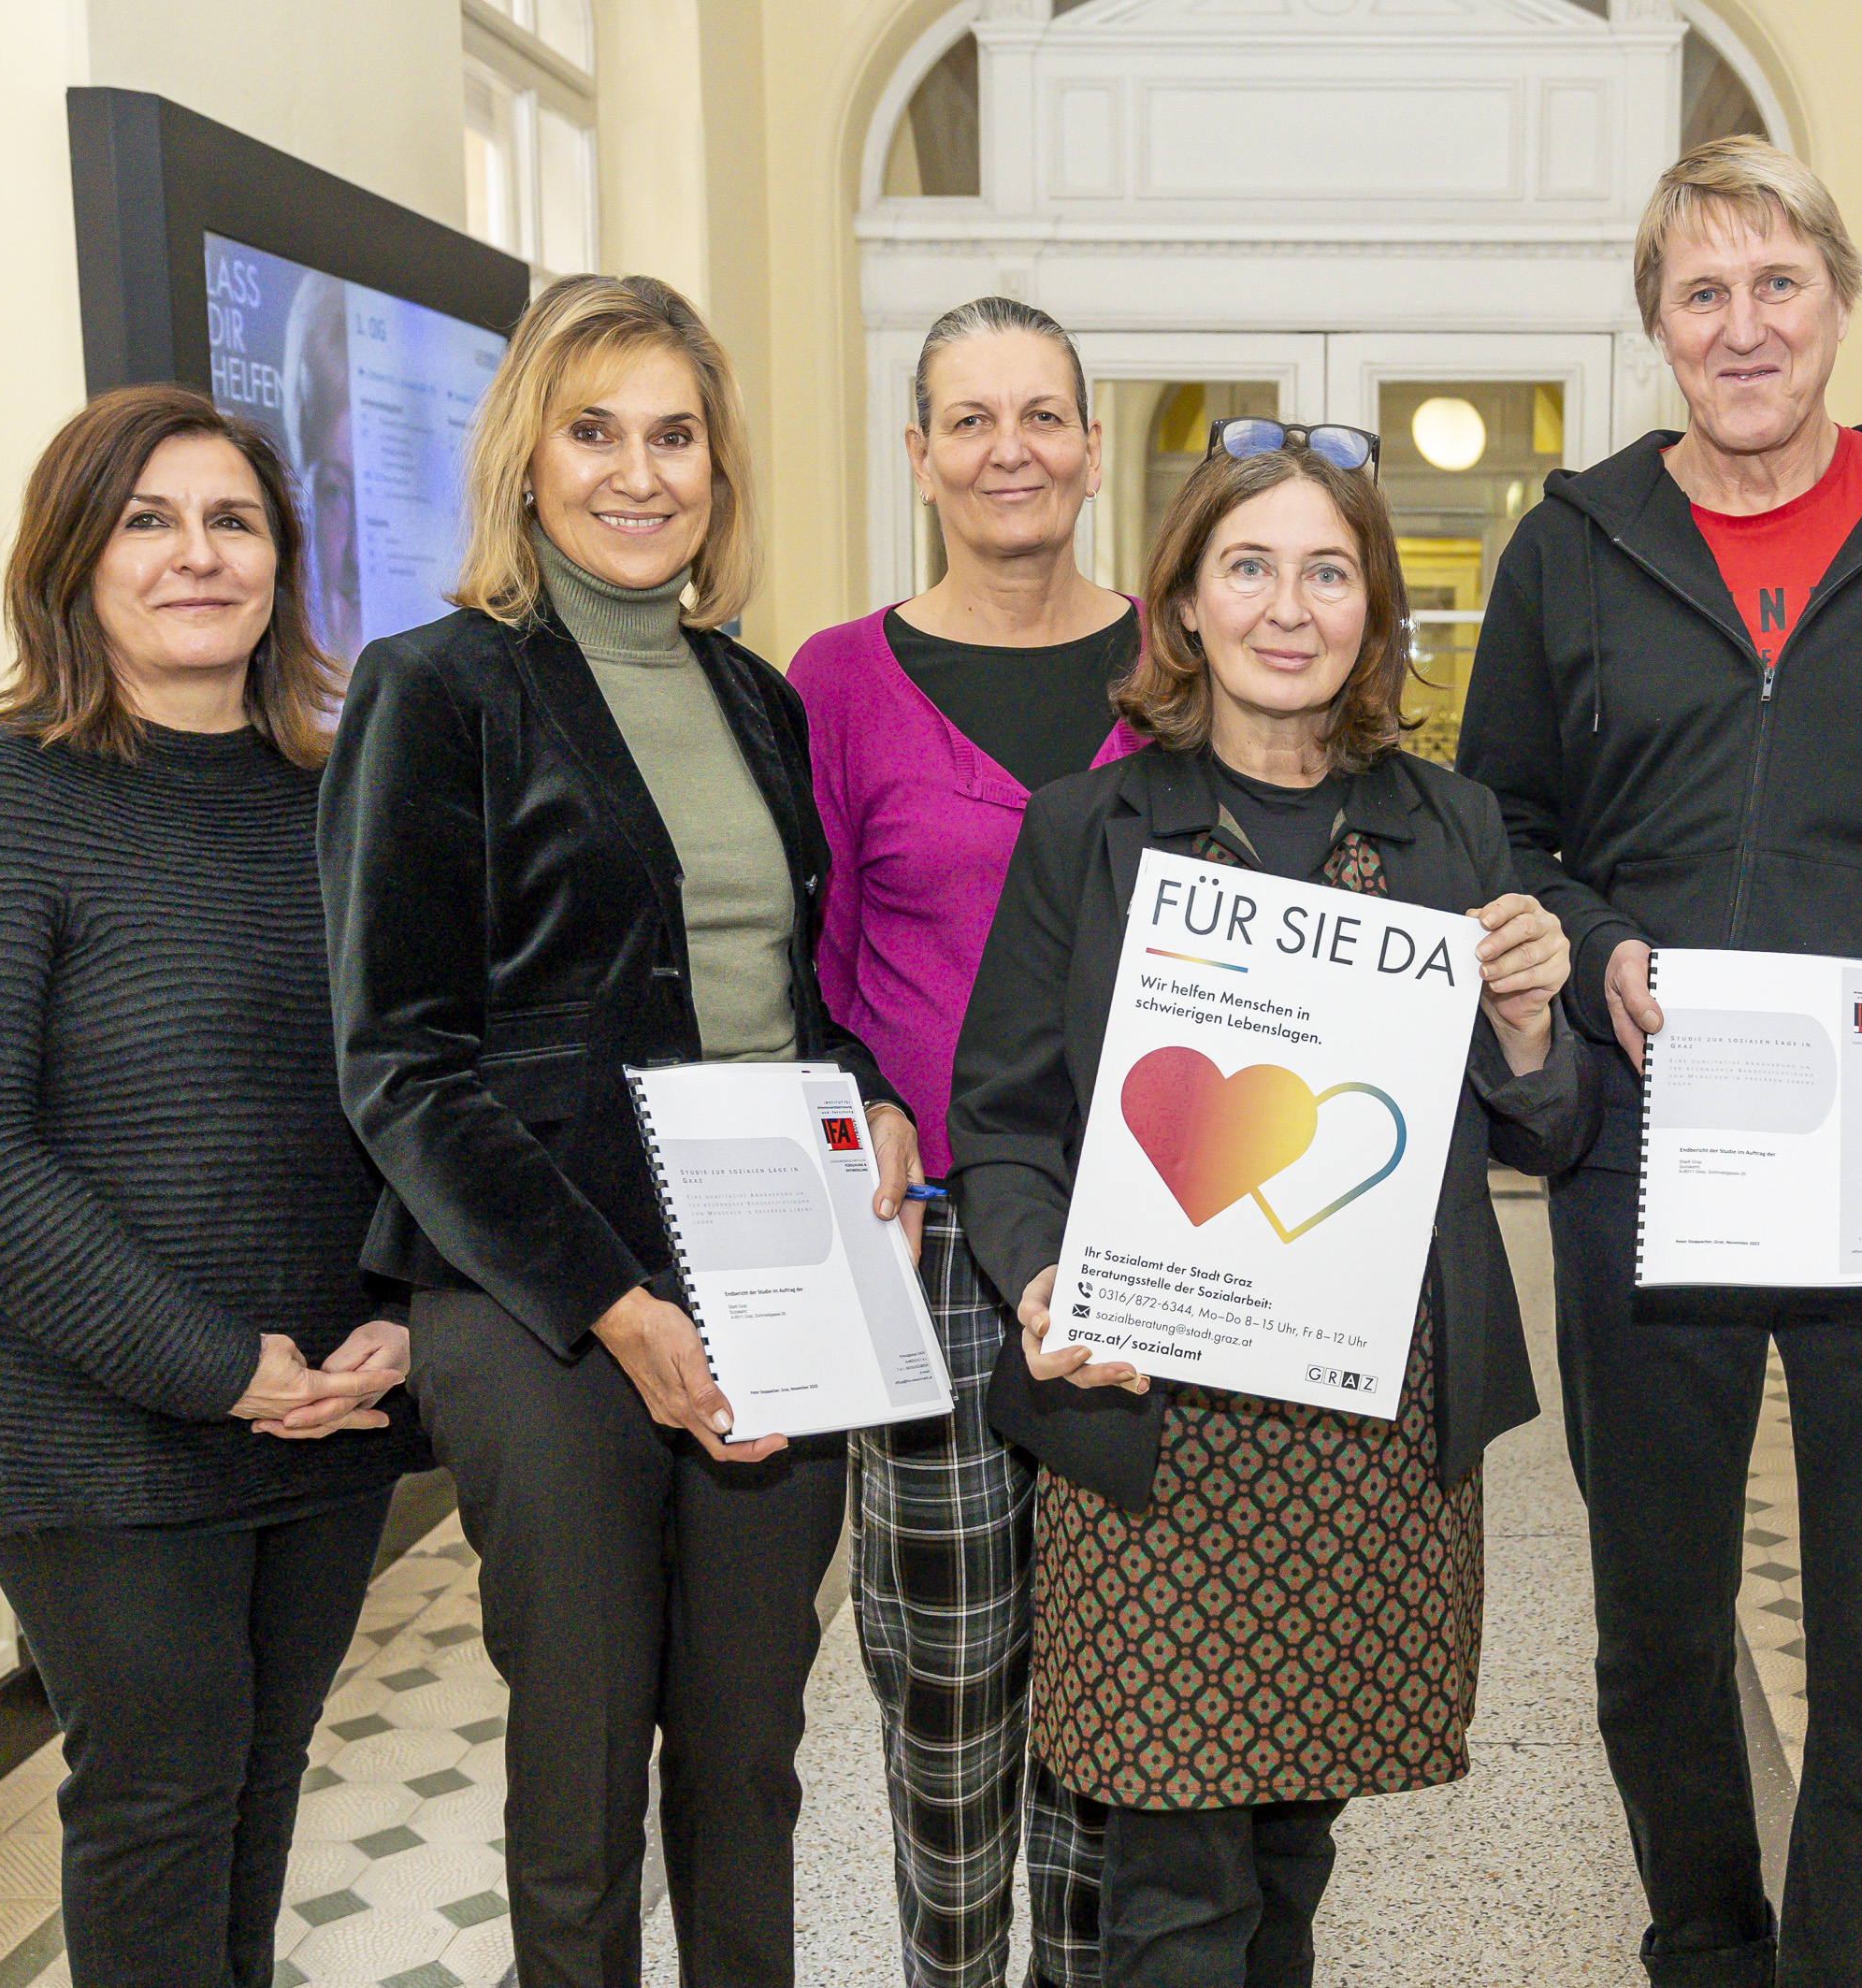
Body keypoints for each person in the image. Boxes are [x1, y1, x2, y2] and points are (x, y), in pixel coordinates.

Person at [1455, 135, 1862, 1988]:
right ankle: (1708, 1950)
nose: (1743, 327)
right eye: (1700, 292)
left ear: (1835, 295)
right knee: (1657, 1635)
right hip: (1645, 1161)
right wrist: (1591, 953)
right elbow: (1490, 820)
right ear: (1656, 325)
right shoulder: (1567, 547)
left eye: (1776, 282)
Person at [320, 274, 915, 1987]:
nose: (637, 474)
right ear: (525, 455)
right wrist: (612, 1301)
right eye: (595, 431)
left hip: (770, 1273)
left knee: (744, 1757)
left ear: (719, 471)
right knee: (581, 1773)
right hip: (536, 1301)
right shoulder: (435, 689)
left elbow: (769, 991)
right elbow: (400, 1059)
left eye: (675, 436)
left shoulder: (755, 700)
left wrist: (866, 1090)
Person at [953, 428, 1601, 1986]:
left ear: (1376, 616)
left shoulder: (1451, 826)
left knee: (1294, 1847)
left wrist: (1526, 1022)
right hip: (1157, 1420)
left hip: (1370, 1425)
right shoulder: (1084, 831)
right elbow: (1002, 1121)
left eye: (1329, 571)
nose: (1288, 606)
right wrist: (1042, 1282)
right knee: (1174, 1875)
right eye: (1248, 566)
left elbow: (1545, 1119)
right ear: (1181, 602)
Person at [0, 383, 420, 1988]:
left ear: (282, 561)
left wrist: (393, 1319)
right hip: (92, 1425)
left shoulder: (336, 803)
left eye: (233, 520)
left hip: (324, 1407)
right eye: (149, 521)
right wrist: (213, 1364)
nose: (198, 555)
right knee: (162, 1800)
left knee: (256, 1789)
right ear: (76, 563)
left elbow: (404, 1096)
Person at [791, 295, 1138, 1988]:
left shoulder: (1186, 662)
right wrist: (859, 1092)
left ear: (1089, 446)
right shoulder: (837, 681)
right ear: (917, 453)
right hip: (925, 1233)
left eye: (1044, 414)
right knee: (946, 1667)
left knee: (1117, 1661)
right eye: (971, 417)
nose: (1012, 447)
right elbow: (811, 960)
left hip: (1149, 1240)